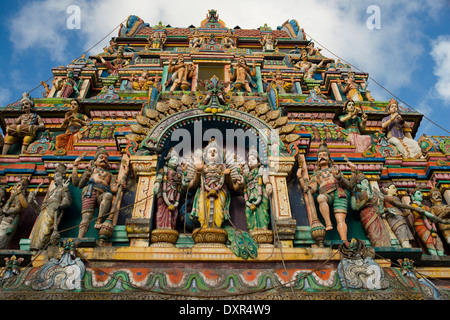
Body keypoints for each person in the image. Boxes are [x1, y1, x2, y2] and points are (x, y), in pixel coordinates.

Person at [299, 142, 356, 244]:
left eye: (325, 155)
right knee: (320, 198)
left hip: (339, 193)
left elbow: (349, 186)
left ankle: (344, 240)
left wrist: (340, 177)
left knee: (340, 219)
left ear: (329, 158)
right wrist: (300, 178)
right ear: (317, 160)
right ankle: (328, 223)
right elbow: (311, 190)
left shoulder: (335, 170)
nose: (322, 157)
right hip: (325, 194)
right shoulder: (316, 175)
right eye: (319, 156)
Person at [71, 145, 127, 238]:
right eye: (101, 157)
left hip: (102, 194)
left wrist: (121, 184)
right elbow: (78, 184)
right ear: (95, 161)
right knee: (87, 217)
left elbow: (113, 189)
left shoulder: (110, 175)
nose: (103, 159)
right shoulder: (92, 170)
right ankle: (80, 238)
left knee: (108, 195)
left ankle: (99, 221)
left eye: (106, 158)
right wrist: (76, 165)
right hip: (90, 192)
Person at [188, 139, 242, 228]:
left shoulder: (222, 167)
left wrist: (227, 175)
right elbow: (193, 185)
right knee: (202, 208)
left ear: (220, 156)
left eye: (215, 152)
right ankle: (204, 227)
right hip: (204, 190)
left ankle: (217, 228)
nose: (212, 153)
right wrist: (198, 171)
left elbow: (232, 188)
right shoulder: (202, 167)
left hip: (220, 191)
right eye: (210, 152)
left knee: (219, 210)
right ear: (205, 156)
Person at [29, 164, 71, 250]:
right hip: (45, 211)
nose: (55, 178)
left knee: (46, 230)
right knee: (39, 230)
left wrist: (59, 206)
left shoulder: (63, 189)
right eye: (54, 176)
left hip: (53, 211)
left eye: (58, 176)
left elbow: (67, 202)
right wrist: (32, 201)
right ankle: (35, 246)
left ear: (63, 177)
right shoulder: (50, 192)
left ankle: (39, 247)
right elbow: (39, 210)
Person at [351, 173, 391, 247]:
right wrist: (367, 199)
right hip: (367, 215)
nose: (367, 184)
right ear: (359, 185)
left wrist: (386, 209)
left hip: (377, 216)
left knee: (384, 234)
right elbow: (355, 207)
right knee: (373, 233)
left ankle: (385, 247)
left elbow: (379, 210)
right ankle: (378, 246)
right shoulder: (358, 194)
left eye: (367, 182)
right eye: (364, 182)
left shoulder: (373, 194)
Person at [153, 150, 188, 229]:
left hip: (174, 195)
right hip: (164, 193)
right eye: (173, 160)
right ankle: (160, 228)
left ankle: (170, 228)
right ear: (167, 161)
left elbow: (184, 185)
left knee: (173, 212)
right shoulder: (164, 170)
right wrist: (157, 184)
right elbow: (159, 177)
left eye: (176, 161)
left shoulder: (178, 175)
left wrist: (184, 172)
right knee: (162, 209)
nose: (174, 162)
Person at [242, 146, 272, 231]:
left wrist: (268, 184)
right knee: (249, 213)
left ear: (259, 162)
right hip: (250, 195)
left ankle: (264, 228)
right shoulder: (247, 174)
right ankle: (252, 229)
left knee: (262, 211)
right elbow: (242, 184)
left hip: (261, 194)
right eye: (249, 160)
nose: (250, 161)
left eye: (253, 159)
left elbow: (265, 179)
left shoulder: (261, 170)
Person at [410, 188, 445, 256]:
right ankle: (435, 257)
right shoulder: (413, 206)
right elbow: (424, 213)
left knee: (438, 242)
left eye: (421, 193)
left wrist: (433, 227)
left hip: (431, 226)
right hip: (420, 225)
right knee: (429, 241)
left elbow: (432, 219)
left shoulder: (427, 207)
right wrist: (441, 220)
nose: (421, 195)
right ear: (413, 197)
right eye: (419, 194)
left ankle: (442, 256)